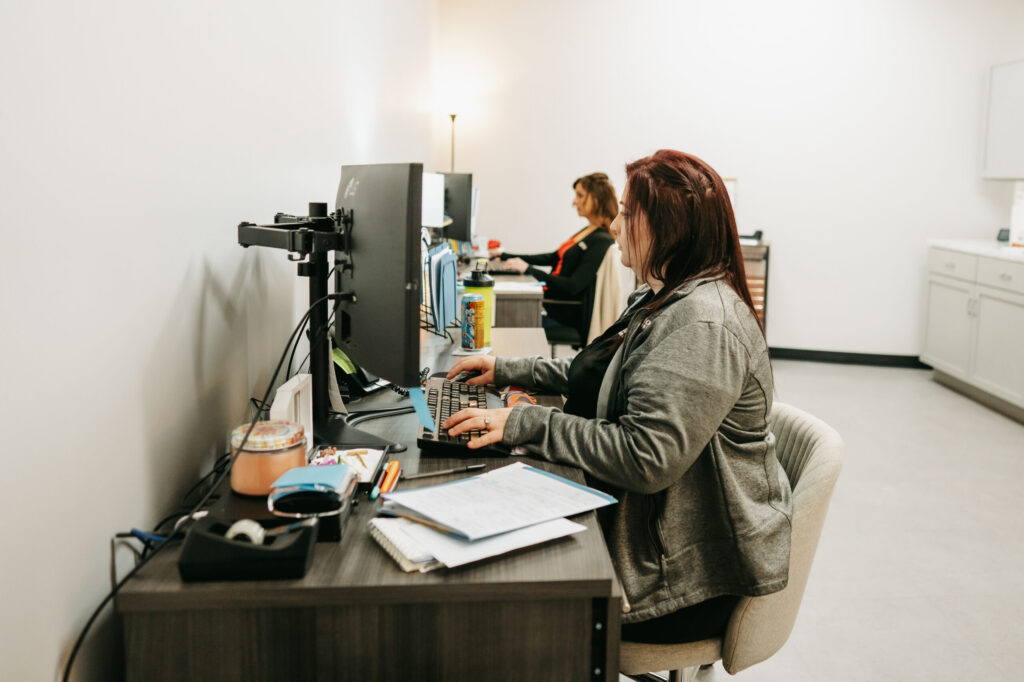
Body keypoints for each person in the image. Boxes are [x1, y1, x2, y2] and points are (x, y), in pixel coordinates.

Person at [444, 150, 792, 644]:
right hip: (650, 529)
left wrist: (526, 422)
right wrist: (506, 369)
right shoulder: (662, 296)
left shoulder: (702, 324)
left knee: (500, 581)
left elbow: (644, 457)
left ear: (669, 228)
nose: (616, 224)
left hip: (685, 579)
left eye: (628, 213)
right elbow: (600, 372)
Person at [491, 172, 618, 336]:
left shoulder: (601, 240)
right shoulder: (589, 230)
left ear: (596, 199)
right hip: (551, 304)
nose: (574, 201)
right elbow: (553, 257)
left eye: (580, 195)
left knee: (502, 316)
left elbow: (573, 286)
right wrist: (505, 256)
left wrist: (529, 269)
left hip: (561, 313)